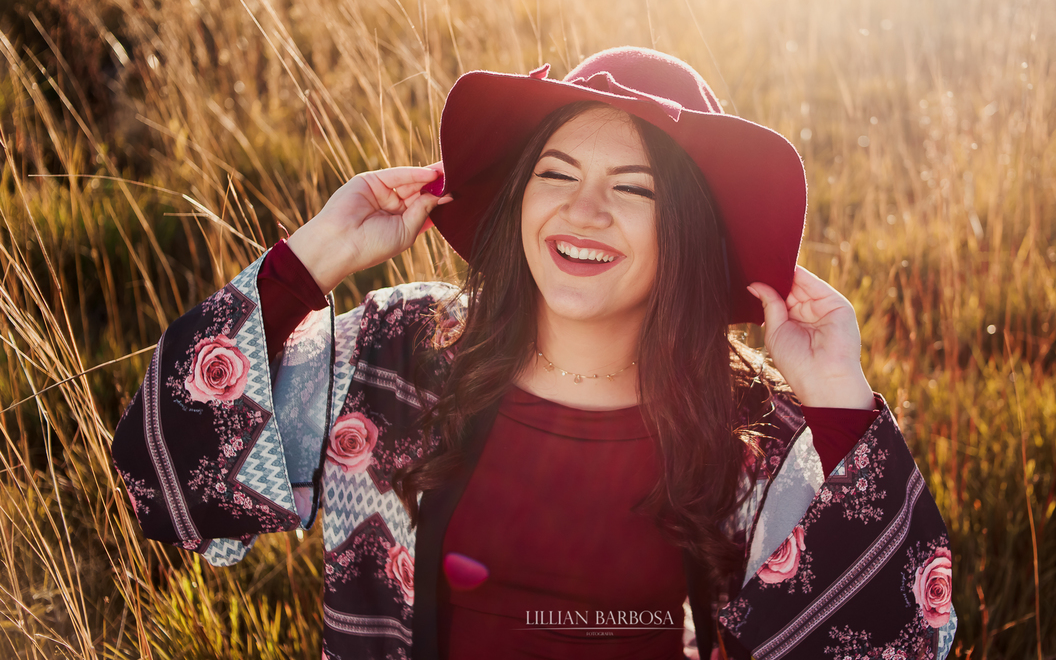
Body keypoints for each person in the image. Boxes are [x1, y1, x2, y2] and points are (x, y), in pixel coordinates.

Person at [112, 47, 956, 660]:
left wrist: (840, 400)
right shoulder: (398, 353)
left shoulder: (754, 435)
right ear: (519, 200)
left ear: (688, 234)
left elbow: (896, 645)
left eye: (632, 190)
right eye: (556, 175)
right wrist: (314, 257)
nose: (583, 212)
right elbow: (169, 479)